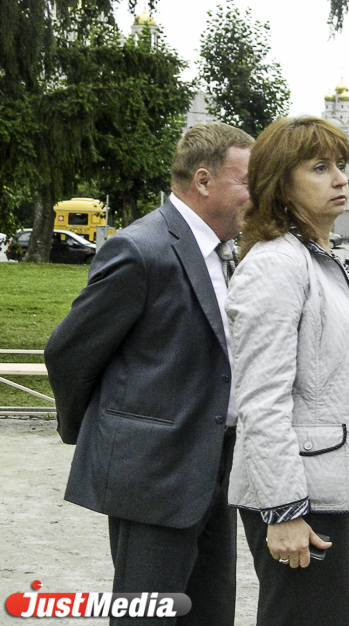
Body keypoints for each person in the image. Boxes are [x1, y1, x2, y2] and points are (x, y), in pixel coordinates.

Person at [45, 122, 254, 625]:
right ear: (203, 180)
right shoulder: (141, 249)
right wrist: (102, 433)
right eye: (249, 181)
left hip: (216, 469)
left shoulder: (227, 253)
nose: (260, 193)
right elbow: (68, 351)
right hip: (154, 476)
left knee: (210, 611)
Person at [225, 116, 349, 626]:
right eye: (320, 168)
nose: (341, 178)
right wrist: (283, 511)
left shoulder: (320, 258)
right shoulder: (275, 264)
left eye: (340, 165)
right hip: (300, 498)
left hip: (333, 487)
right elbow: (261, 399)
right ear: (281, 183)